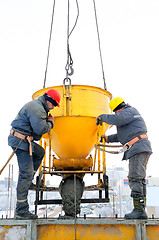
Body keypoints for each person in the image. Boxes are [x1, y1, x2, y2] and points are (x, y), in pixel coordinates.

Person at [96, 97, 152, 219]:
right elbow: (121, 136)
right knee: (139, 179)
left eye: (115, 112)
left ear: (118, 109)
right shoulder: (128, 118)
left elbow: (117, 119)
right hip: (139, 147)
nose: (115, 114)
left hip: (138, 148)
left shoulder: (129, 111)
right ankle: (140, 209)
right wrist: (106, 139)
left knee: (135, 178)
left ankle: (139, 211)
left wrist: (102, 117)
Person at [8, 89, 61, 220]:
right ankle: (21, 211)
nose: (53, 108)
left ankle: (29, 179)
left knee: (40, 152)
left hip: (25, 140)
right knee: (25, 173)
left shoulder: (39, 107)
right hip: (21, 141)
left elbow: (37, 136)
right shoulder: (37, 109)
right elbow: (40, 130)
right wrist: (50, 123)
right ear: (49, 101)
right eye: (54, 105)